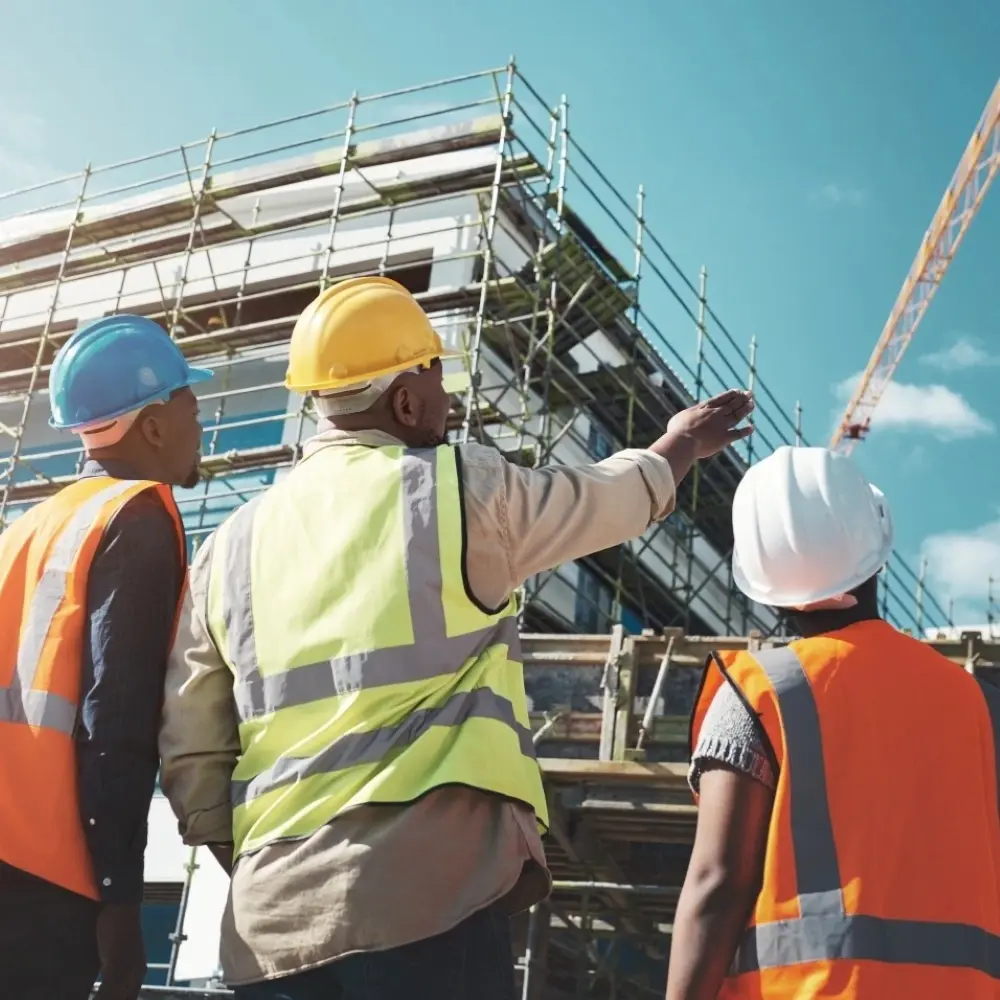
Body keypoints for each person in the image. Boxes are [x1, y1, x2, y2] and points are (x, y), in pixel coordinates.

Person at [158, 274, 754, 1000]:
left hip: (270, 928)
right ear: (405, 399)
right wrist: (680, 443)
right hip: (427, 907)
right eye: (439, 379)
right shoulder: (454, 487)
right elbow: (606, 499)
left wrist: (257, 862)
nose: (450, 402)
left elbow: (191, 751)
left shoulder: (227, 547)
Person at [667, 445, 1000, 1000]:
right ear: (877, 552)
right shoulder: (978, 702)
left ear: (762, 582)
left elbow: (716, 886)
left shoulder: (759, 690)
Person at [0, 315, 213, 1000]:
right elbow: (112, 722)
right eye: (192, 406)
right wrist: (122, 909)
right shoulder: (140, 516)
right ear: (152, 425)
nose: (200, 425)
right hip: (39, 874)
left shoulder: (30, 524)